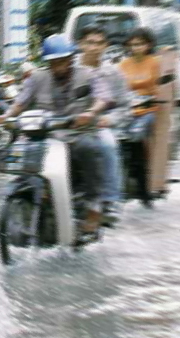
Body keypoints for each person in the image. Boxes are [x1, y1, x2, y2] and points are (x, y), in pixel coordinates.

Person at [0, 35, 113, 233]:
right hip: (44, 136)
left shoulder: (89, 75)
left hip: (76, 134)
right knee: (18, 152)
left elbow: (103, 97)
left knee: (91, 149)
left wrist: (91, 112)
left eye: (62, 61)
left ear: (71, 59)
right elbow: (21, 102)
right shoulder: (37, 77)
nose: (58, 67)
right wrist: (5, 117)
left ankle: (94, 207)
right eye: (53, 62)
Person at [77, 25, 130, 223]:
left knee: (108, 144)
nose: (94, 47)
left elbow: (125, 107)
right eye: (90, 42)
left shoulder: (114, 74)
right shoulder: (69, 69)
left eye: (99, 43)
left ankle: (110, 200)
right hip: (69, 124)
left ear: (106, 46)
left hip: (100, 125)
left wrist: (109, 119)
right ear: (80, 44)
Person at [119, 27, 160, 138]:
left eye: (140, 44)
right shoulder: (123, 64)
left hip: (150, 108)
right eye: (132, 45)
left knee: (138, 131)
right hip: (128, 107)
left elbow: (160, 89)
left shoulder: (155, 62)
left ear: (149, 45)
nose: (135, 48)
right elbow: (119, 88)